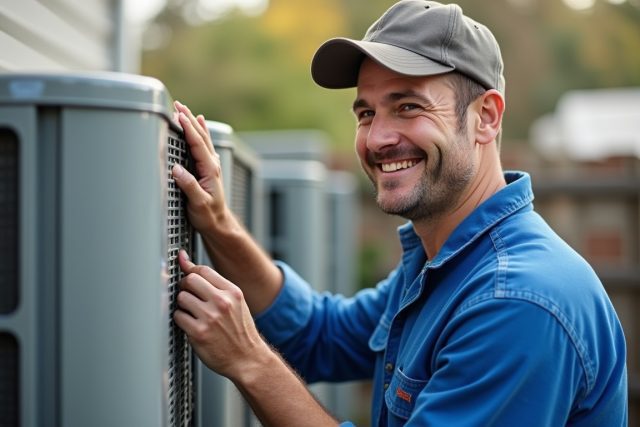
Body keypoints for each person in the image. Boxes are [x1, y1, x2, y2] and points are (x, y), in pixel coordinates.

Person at [170, 1, 628, 425]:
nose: (376, 139)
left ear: (485, 117)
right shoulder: (446, 261)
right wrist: (217, 222)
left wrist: (250, 360)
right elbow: (319, 336)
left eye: (408, 106)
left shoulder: (515, 302)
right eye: (366, 113)